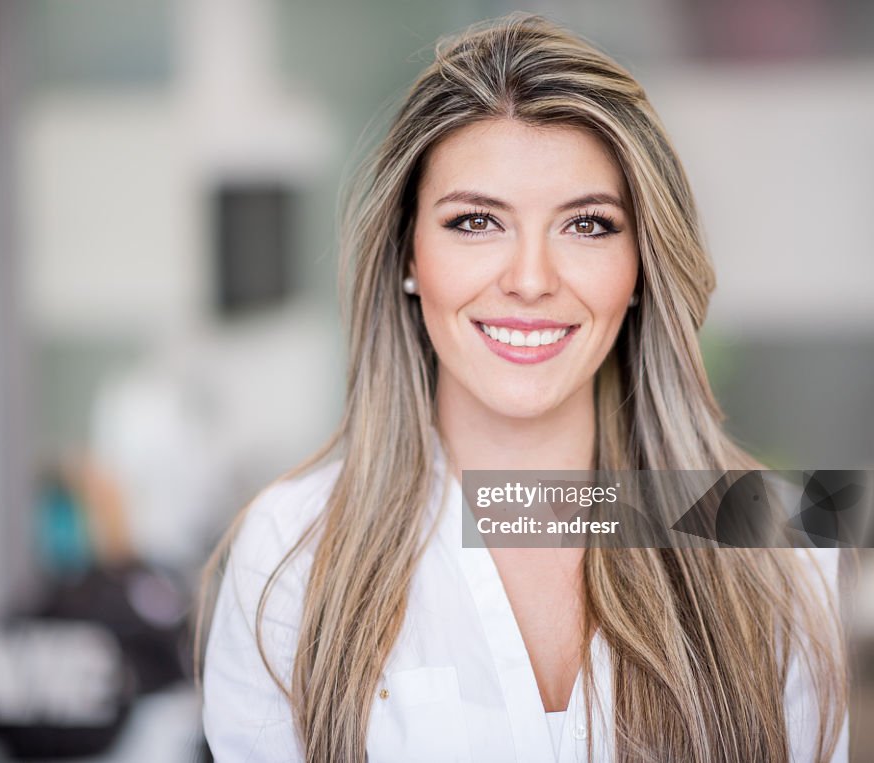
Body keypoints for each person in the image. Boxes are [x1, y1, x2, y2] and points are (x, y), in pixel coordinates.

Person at [198, 14, 849, 763]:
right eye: (476, 221)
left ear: (641, 266)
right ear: (409, 255)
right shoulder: (289, 548)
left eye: (588, 226)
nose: (531, 280)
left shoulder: (778, 536)